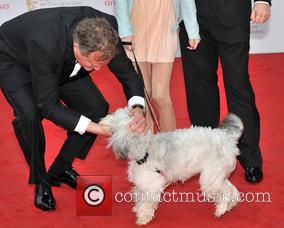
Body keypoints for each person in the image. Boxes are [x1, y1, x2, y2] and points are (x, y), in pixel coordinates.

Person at [0, 7, 147, 211]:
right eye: (94, 64)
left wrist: (138, 108)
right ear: (77, 48)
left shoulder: (106, 31)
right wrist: (97, 129)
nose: (98, 70)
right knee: (30, 114)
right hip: (11, 58)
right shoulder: (44, 42)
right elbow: (49, 106)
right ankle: (41, 179)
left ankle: (60, 169)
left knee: (96, 107)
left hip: (57, 60)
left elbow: (127, 73)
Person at [179, 0, 271, 183]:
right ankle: (206, 151)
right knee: (199, 88)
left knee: (238, 86)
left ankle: (249, 154)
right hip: (191, 15)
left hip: (233, 14)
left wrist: (262, 2)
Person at [115, 0, 200, 132]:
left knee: (161, 95)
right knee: (143, 94)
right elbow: (120, 3)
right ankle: (145, 145)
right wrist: (125, 31)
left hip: (165, 27)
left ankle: (170, 146)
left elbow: (187, 2)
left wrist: (193, 31)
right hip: (136, 27)